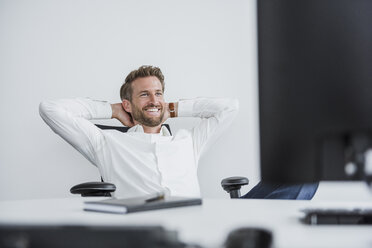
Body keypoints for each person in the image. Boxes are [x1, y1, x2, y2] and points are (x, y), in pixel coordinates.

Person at [40, 65, 318, 199]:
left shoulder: (187, 141)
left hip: (204, 225)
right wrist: (111, 110)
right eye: (144, 95)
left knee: (305, 177)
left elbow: (229, 108)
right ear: (128, 104)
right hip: (147, 234)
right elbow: (50, 109)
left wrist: (170, 108)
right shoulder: (105, 142)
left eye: (158, 93)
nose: (153, 99)